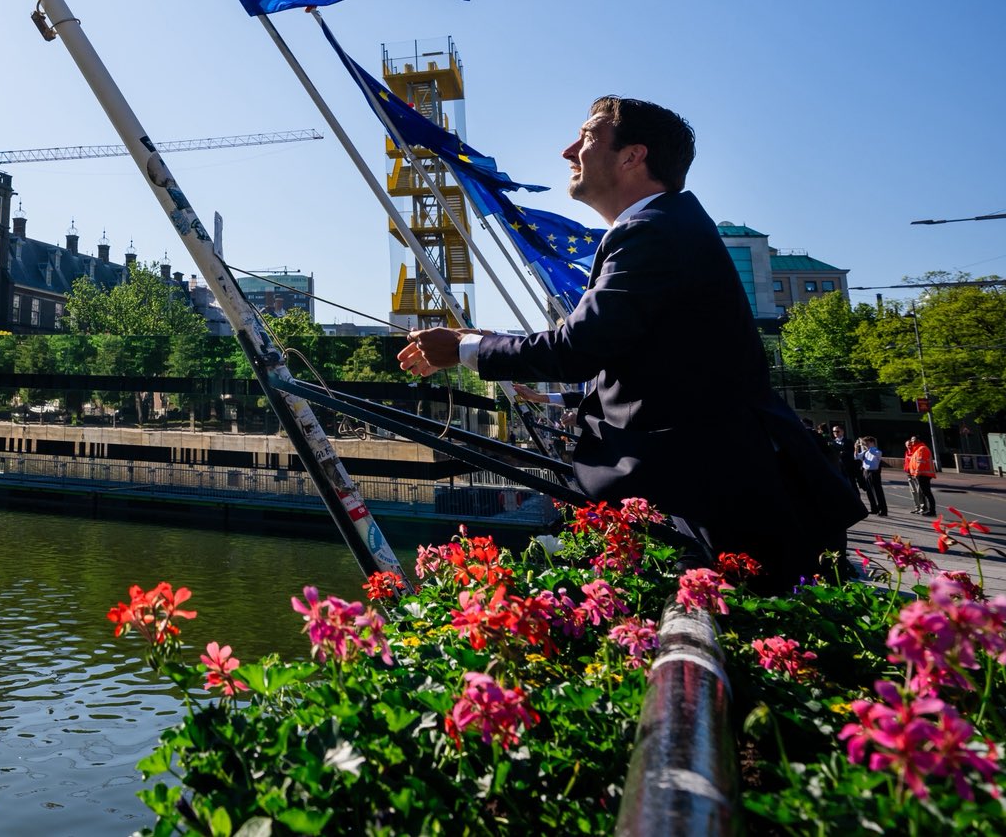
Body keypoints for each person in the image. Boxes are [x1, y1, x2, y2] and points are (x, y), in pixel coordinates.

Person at [398, 96, 865, 591]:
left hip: (709, 496)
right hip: (714, 484)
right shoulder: (667, 225)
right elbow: (631, 357)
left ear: (632, 156)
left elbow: (579, 348)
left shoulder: (653, 230)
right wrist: (481, 341)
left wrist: (465, 350)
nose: (568, 151)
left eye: (588, 137)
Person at [904, 436, 936, 516]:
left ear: (918, 440)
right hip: (922, 474)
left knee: (926, 493)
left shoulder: (921, 449)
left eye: (913, 440)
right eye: (911, 440)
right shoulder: (918, 449)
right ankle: (929, 510)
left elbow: (920, 462)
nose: (912, 442)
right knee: (925, 493)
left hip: (923, 474)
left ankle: (931, 511)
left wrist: (917, 473)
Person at [857, 437, 889, 517]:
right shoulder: (865, 452)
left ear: (872, 443)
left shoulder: (877, 451)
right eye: (865, 443)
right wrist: (856, 447)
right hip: (866, 472)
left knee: (878, 492)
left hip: (874, 473)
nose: (865, 445)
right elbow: (856, 457)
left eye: (867, 443)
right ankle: (874, 509)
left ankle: (883, 510)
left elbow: (872, 452)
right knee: (869, 492)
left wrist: (865, 445)